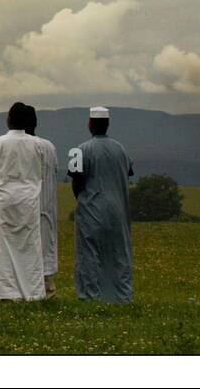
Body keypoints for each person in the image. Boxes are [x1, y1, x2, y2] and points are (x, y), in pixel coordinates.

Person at [68, 106, 134, 303]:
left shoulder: (78, 150)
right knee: (119, 255)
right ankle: (122, 296)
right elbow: (129, 171)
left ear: (90, 124)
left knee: (89, 255)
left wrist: (82, 200)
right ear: (107, 124)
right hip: (119, 211)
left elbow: (76, 181)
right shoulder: (121, 149)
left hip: (91, 210)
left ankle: (89, 297)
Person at [0, 102, 46, 301]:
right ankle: (32, 291)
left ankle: (3, 290)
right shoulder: (38, 144)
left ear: (9, 119)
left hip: (4, 200)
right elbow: (40, 171)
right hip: (29, 200)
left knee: (1, 246)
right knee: (29, 246)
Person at [24, 105, 60, 298]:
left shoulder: (22, 145)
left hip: (27, 204)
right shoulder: (48, 146)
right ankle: (48, 286)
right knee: (45, 244)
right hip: (46, 203)